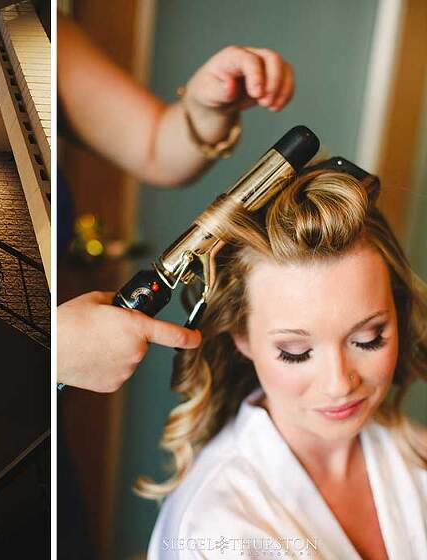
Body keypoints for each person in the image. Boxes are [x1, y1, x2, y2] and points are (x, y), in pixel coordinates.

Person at [142, 166, 427, 559]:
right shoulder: (214, 530)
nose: (339, 383)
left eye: (368, 338)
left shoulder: (414, 455)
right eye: (296, 351)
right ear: (242, 336)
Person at [57, 13, 296, 392]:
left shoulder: (47, 33)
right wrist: (61, 352)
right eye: (295, 350)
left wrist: (204, 110)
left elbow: (153, 146)